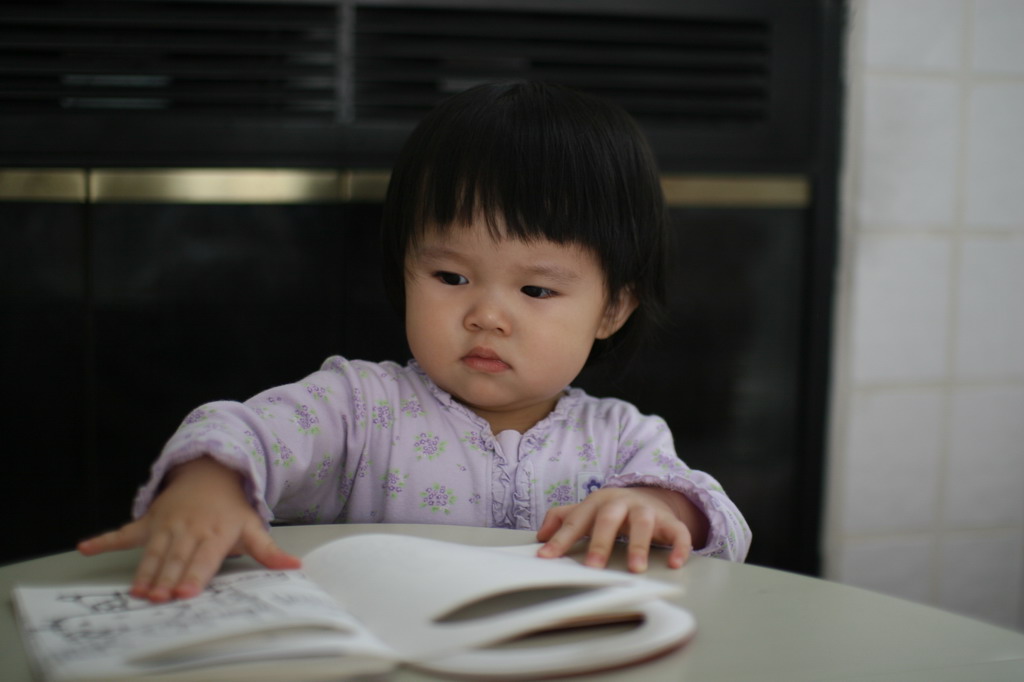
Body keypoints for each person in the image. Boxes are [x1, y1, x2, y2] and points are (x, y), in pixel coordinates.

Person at [79, 81, 751, 603]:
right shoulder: (360, 408)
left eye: (536, 289)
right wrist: (210, 486)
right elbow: (245, 430)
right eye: (451, 277)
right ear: (404, 268)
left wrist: (660, 509)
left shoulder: (622, 440)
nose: (486, 316)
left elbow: (721, 527)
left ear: (612, 309)